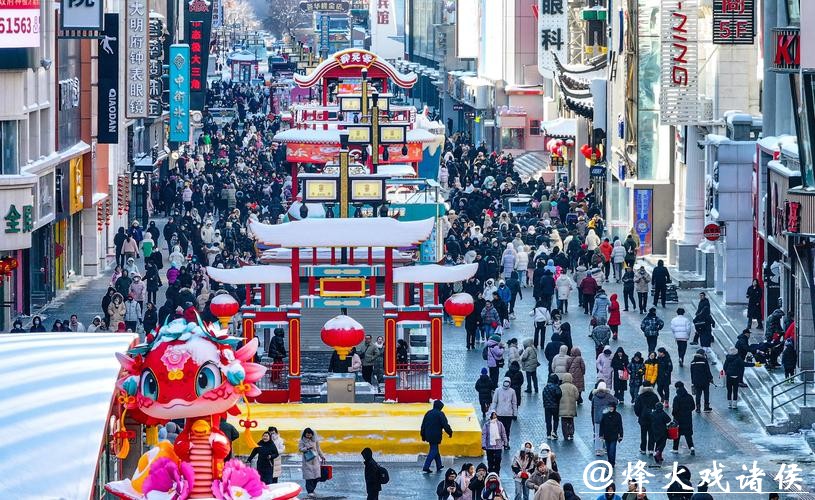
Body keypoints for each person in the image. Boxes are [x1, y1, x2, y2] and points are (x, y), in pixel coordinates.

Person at [421, 400, 454, 473]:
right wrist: (450, 432)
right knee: (433, 450)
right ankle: (426, 466)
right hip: (436, 435)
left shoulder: (428, 413)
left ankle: (439, 465)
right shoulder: (440, 414)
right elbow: (445, 425)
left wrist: (423, 435)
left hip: (428, 434)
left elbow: (423, 425)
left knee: (435, 448)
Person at [589, 381, 617, 455]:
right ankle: (605, 448)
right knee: (606, 433)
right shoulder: (608, 396)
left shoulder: (595, 396)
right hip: (606, 418)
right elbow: (616, 401)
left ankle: (598, 450)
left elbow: (592, 407)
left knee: (597, 434)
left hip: (597, 417)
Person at [298, 427, 325, 498]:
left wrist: (322, 456)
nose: (309, 436)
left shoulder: (315, 441)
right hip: (307, 461)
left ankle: (312, 490)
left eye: (310, 435)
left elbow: (318, 449)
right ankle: (310, 492)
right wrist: (306, 448)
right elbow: (300, 449)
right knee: (309, 478)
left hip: (315, 461)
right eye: (307, 435)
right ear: (305, 434)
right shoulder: (302, 441)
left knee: (316, 478)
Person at [491, 377, 518, 447]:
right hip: (505, 414)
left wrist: (493, 411)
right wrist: (515, 413)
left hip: (502, 414)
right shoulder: (511, 391)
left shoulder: (500, 390)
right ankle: (505, 443)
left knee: (502, 430)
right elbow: (514, 403)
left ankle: (504, 442)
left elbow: (494, 402)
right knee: (506, 430)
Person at [634, 382, 660, 455]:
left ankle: (643, 449)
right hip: (652, 419)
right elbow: (658, 407)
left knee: (643, 434)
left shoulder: (640, 396)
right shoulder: (654, 396)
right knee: (651, 434)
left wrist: (639, 415)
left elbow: (636, 408)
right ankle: (651, 449)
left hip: (643, 419)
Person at [671, 381, 696, 455]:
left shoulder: (676, 398)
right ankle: (691, 447)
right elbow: (693, 407)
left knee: (677, 435)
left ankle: (675, 449)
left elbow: (675, 409)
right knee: (688, 435)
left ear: (677, 388)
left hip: (678, 419)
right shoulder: (689, 397)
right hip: (688, 418)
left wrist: (674, 416)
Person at [598, 401, 624, 467]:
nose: (611, 408)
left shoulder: (618, 415)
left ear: (614, 408)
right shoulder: (605, 415)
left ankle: (612, 462)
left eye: (612, 407)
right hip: (606, 435)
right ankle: (610, 461)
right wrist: (601, 435)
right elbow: (602, 425)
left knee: (612, 449)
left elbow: (620, 426)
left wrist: (621, 435)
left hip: (614, 436)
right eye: (610, 407)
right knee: (609, 450)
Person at [558, 373, 579, 440]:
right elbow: (577, 396)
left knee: (564, 422)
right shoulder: (573, 387)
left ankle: (565, 435)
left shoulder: (560, 387)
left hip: (562, 409)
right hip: (571, 409)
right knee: (571, 421)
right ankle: (571, 433)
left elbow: (557, 396)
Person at [542, 374, 562, 440]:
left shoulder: (545, 387)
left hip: (547, 407)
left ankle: (548, 434)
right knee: (556, 419)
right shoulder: (556, 387)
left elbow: (544, 396)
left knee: (548, 421)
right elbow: (559, 395)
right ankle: (554, 432)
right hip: (555, 406)